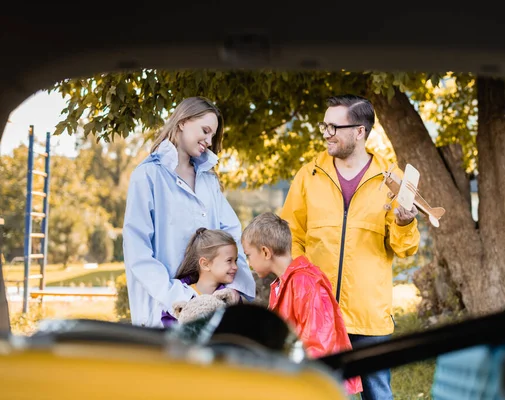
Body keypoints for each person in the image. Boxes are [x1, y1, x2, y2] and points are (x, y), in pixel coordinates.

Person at [279, 94, 421, 400]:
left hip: (369, 316)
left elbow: (404, 248)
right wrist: (306, 288)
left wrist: (404, 224)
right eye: (325, 126)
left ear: (360, 131)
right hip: (318, 313)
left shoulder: (392, 179)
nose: (327, 133)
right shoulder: (309, 175)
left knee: (378, 395)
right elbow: (290, 237)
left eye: (334, 127)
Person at [122, 96, 255, 328]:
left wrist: (235, 288)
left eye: (213, 135)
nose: (209, 140)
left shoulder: (209, 181)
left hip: (210, 308)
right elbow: (137, 250)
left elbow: (231, 233)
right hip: (164, 310)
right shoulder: (148, 176)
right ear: (182, 122)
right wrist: (180, 296)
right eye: (205, 130)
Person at [241, 212, 362, 396]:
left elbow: (319, 343)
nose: (249, 263)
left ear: (265, 252)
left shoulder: (304, 282)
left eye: (248, 255)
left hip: (323, 388)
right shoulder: (283, 284)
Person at [161, 228, 241, 328]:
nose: (235, 267)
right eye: (229, 261)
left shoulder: (230, 298)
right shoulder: (180, 294)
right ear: (205, 264)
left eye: (236, 261)